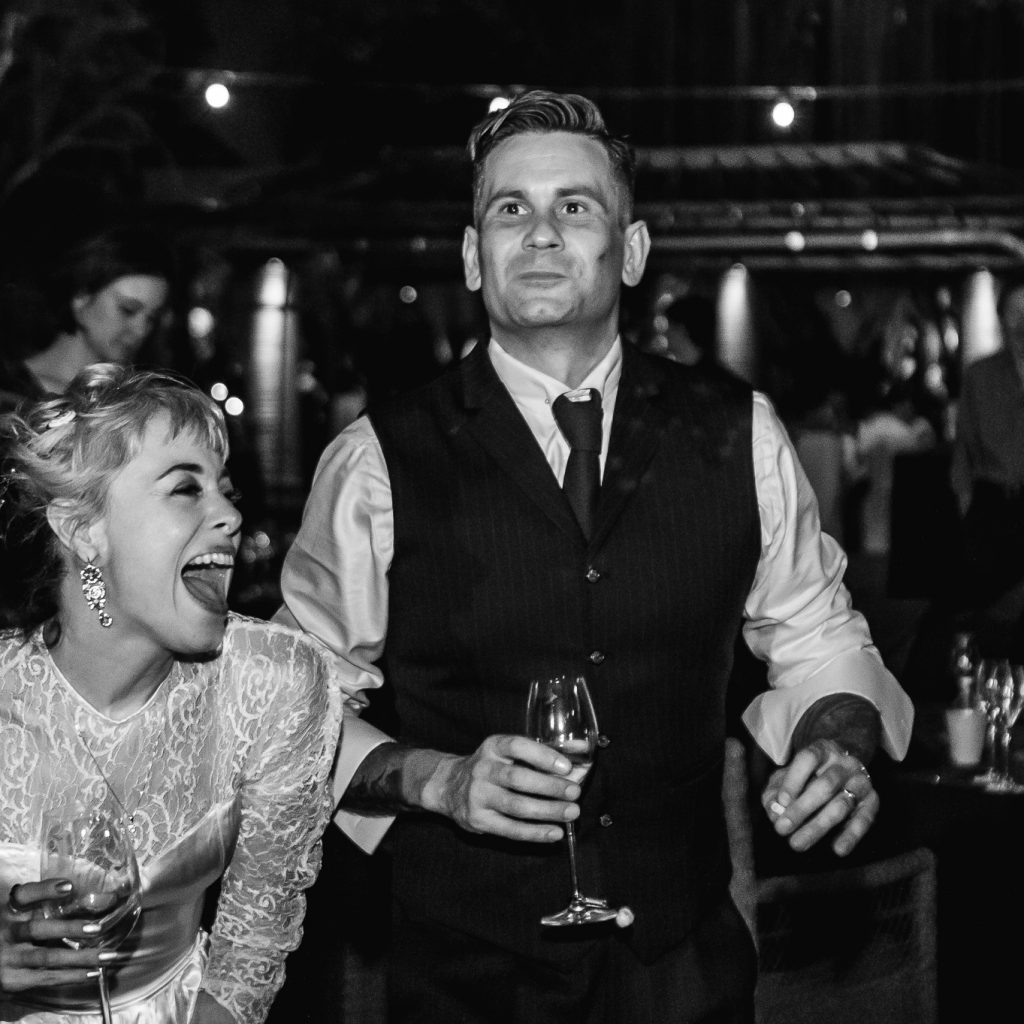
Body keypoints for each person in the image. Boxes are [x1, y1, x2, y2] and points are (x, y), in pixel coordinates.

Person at [275, 90, 914, 1024]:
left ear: (635, 249)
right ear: (471, 255)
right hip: (465, 977)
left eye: (574, 207)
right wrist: (436, 779)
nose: (539, 233)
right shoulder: (377, 457)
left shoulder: (741, 433)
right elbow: (294, 711)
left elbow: (821, 642)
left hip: (684, 966)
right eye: (509, 209)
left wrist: (839, 738)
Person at [0, 366, 343, 1023]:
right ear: (83, 528)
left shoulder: (269, 683)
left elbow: (250, 950)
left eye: (227, 489)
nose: (232, 515)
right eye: (187, 488)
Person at [0, 227, 173, 414]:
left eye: (152, 318)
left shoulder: (137, 400)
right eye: (128, 309)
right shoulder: (10, 395)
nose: (141, 330)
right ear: (81, 297)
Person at [949, 280, 1024, 658]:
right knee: (992, 621)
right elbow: (964, 446)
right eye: (1015, 312)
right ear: (1002, 319)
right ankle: (995, 707)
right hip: (993, 508)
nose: (1022, 321)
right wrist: (968, 509)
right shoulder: (980, 375)